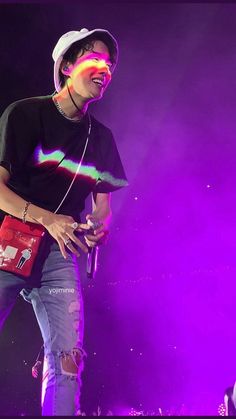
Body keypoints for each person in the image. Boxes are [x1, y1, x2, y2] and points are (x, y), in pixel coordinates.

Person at [0, 27, 128, 416]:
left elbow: (102, 208)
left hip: (59, 254)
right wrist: (47, 218)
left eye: (108, 63)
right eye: (93, 57)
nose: (103, 67)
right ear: (67, 66)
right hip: (9, 241)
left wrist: (99, 226)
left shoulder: (101, 138)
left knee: (68, 359)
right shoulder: (25, 114)